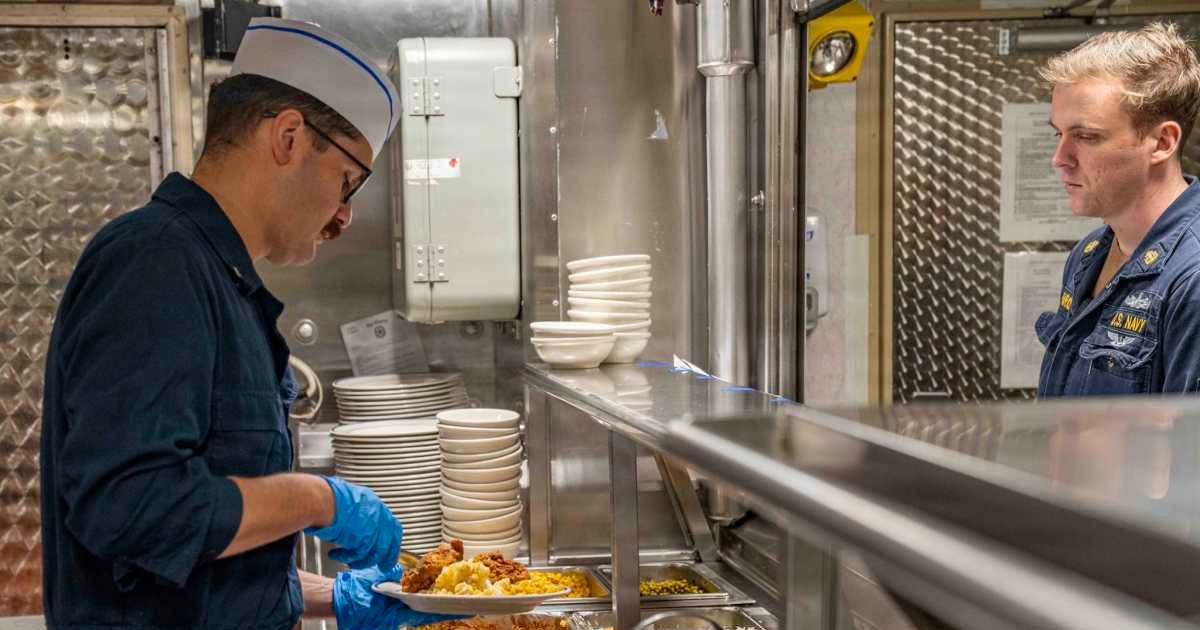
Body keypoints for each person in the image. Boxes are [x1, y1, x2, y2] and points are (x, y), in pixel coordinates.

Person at [39, 18, 456, 630]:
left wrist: (326, 598)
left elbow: (202, 553)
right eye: (347, 182)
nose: (343, 216)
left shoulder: (220, 279)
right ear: (288, 137)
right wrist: (316, 500)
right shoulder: (155, 262)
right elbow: (133, 509)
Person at [1036, 21, 1200, 397]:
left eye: (1086, 137)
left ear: (1161, 141)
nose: (1059, 159)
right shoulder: (1088, 254)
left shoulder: (1191, 278)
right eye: (1058, 134)